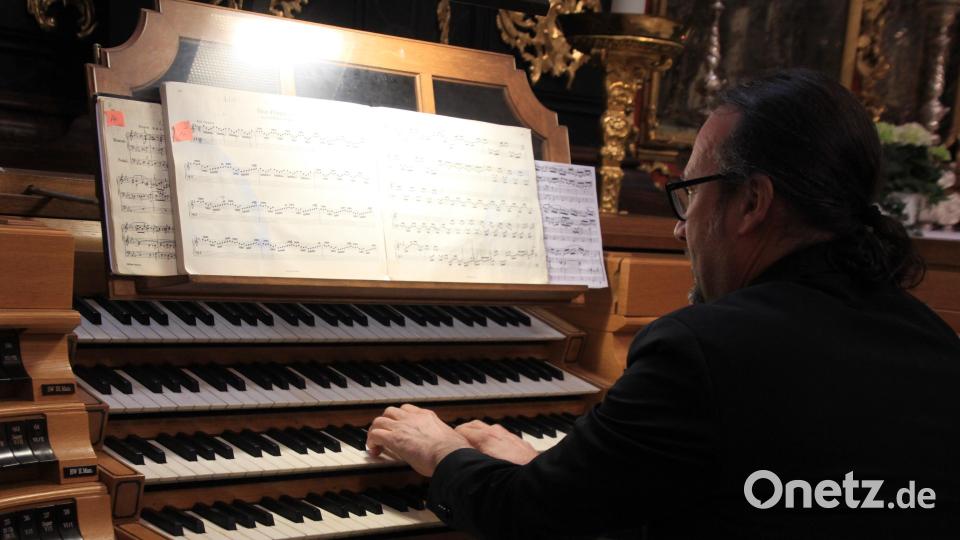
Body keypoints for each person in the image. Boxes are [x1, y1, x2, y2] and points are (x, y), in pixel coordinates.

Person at [365, 69, 960, 539]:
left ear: (752, 202)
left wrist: (441, 451)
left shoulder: (701, 349)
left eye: (689, 193)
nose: (680, 230)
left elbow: (522, 515)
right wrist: (547, 471)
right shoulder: (933, 343)